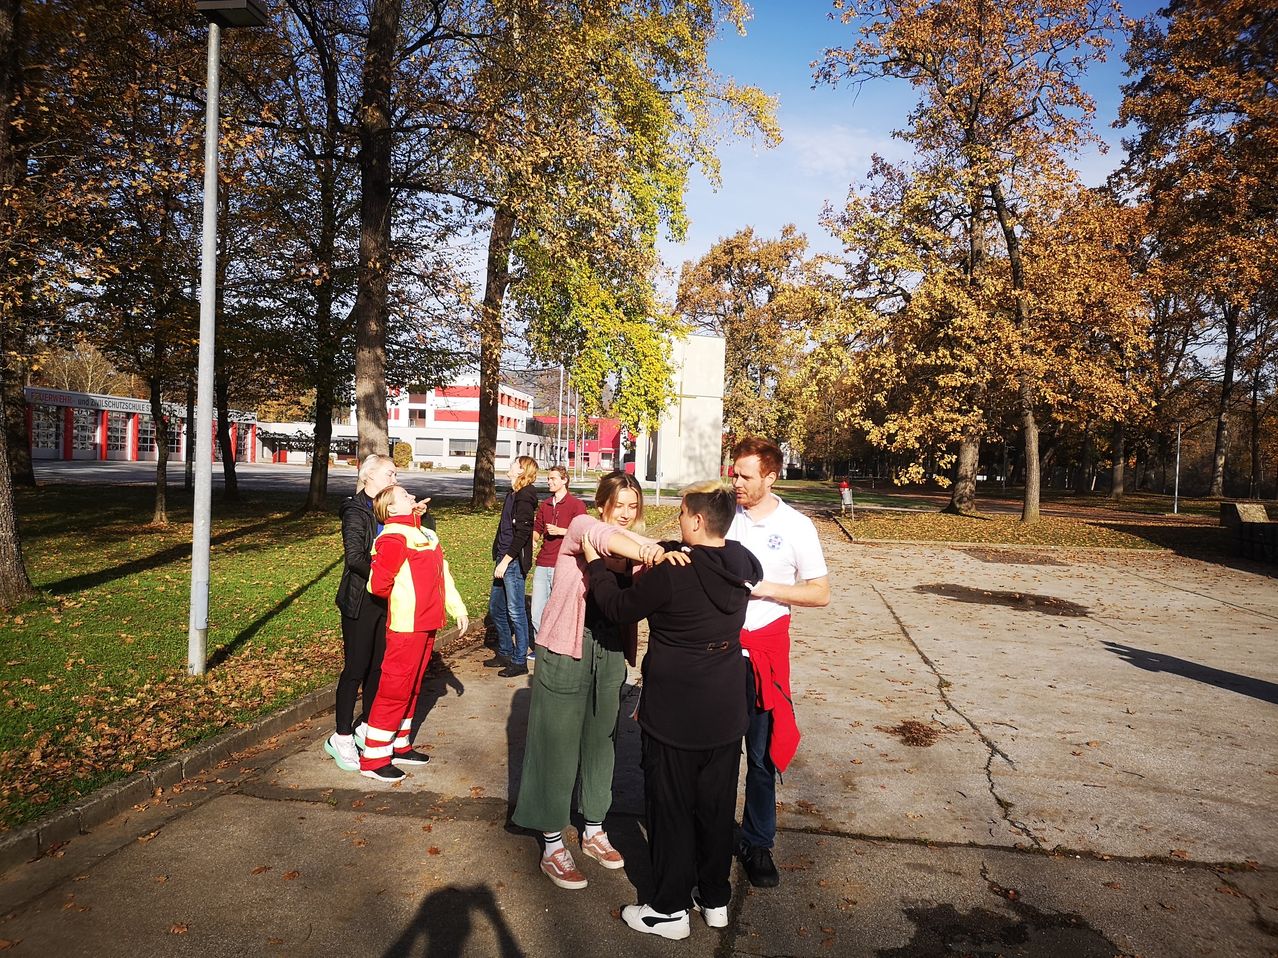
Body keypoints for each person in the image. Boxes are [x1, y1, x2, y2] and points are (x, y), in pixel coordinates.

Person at [583, 481, 760, 941]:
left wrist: (597, 565)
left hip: (677, 709)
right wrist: (666, 549)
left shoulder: (672, 575)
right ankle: (714, 896)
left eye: (682, 515)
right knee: (716, 807)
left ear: (697, 521)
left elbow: (619, 607)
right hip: (724, 706)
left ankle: (668, 908)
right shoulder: (741, 560)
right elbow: (715, 557)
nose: (678, 522)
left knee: (670, 807)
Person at [512, 471, 669, 891]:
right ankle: (551, 843)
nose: (626, 514)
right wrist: (651, 550)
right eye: (619, 505)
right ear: (603, 504)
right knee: (556, 742)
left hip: (610, 651)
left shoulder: (636, 548)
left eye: (633, 507)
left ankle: (594, 829)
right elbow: (604, 539)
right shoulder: (583, 527)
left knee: (602, 741)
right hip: (566, 647)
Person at [727, 437, 830, 888]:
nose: (737, 483)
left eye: (746, 476)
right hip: (721, 652)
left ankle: (757, 842)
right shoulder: (723, 517)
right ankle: (709, 833)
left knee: (762, 758)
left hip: (766, 656)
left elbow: (820, 592)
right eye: (734, 473)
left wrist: (765, 588)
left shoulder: (797, 527)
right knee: (717, 753)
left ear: (770, 477)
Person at [328, 455, 434, 772]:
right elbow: (355, 558)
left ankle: (370, 731)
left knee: (379, 669)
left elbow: (419, 545)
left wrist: (421, 517)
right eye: (390, 472)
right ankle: (342, 736)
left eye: (396, 473)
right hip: (362, 600)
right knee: (356, 669)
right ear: (369, 475)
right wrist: (386, 576)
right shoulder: (356, 509)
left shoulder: (394, 507)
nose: (395, 477)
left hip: (390, 602)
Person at [359, 485, 467, 783]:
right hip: (406, 625)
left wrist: (457, 608)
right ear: (391, 509)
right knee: (394, 688)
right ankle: (374, 756)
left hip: (427, 622)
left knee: (413, 686)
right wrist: (406, 598)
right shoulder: (393, 537)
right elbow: (377, 585)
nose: (412, 498)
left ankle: (399, 743)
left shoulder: (426, 534)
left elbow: (443, 573)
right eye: (405, 496)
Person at [485, 456, 539, 678]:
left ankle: (519, 661)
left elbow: (523, 533)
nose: (509, 466)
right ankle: (505, 651)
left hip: (513, 561)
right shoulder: (512, 493)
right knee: (496, 608)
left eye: (514, 464)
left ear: (522, 470)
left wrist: (507, 560)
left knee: (515, 611)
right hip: (503, 558)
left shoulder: (526, 496)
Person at [530, 465, 586, 649]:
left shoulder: (576, 505)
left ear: (564, 480)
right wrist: (533, 540)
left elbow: (583, 532)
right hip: (543, 561)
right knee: (537, 610)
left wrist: (562, 531)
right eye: (548, 478)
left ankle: (557, 646)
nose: (549, 482)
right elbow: (537, 528)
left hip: (563, 564)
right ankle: (541, 647)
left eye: (553, 478)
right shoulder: (545, 504)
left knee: (559, 608)